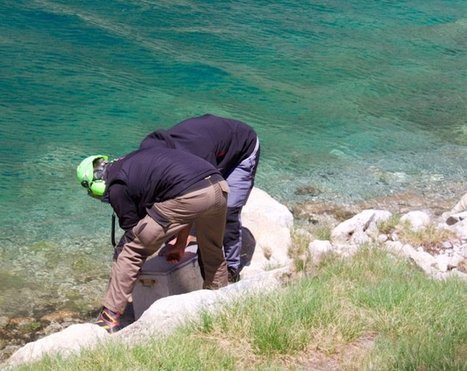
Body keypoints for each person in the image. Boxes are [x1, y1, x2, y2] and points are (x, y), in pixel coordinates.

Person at [76, 147, 229, 333]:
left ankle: (108, 318)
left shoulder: (116, 185)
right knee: (212, 249)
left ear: (95, 181)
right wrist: (180, 244)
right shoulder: (130, 162)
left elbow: (137, 234)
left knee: (130, 250)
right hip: (218, 187)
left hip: (189, 195)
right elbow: (182, 207)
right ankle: (220, 302)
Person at [140, 113, 260, 282]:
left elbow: (193, 201)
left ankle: (232, 270)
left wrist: (181, 243)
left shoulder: (196, 157)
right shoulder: (156, 154)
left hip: (242, 149)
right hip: (216, 147)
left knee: (227, 213)